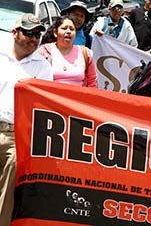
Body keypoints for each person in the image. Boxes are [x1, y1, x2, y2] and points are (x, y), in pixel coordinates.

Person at [0, 13, 53, 226]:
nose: (34, 38)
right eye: (29, 32)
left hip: (16, 135)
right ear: (15, 33)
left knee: (7, 190)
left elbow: (42, 106)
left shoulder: (43, 67)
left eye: (38, 34)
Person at [38, 16, 97, 87]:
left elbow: (92, 82)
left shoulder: (86, 53)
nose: (68, 31)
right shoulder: (44, 51)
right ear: (55, 32)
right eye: (64, 28)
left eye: (72, 29)